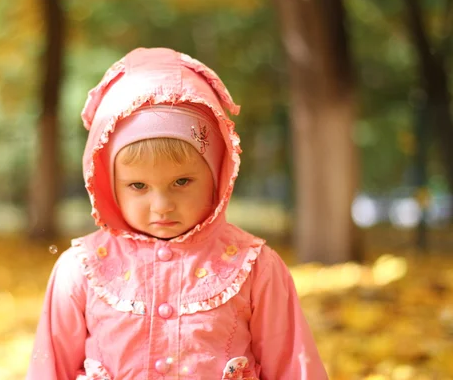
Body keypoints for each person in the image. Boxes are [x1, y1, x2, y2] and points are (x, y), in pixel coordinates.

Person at [26, 47, 328, 380]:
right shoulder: (81, 270)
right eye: (138, 186)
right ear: (109, 185)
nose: (161, 205)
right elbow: (49, 369)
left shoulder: (255, 269)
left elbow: (294, 368)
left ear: (216, 175)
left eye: (181, 181)